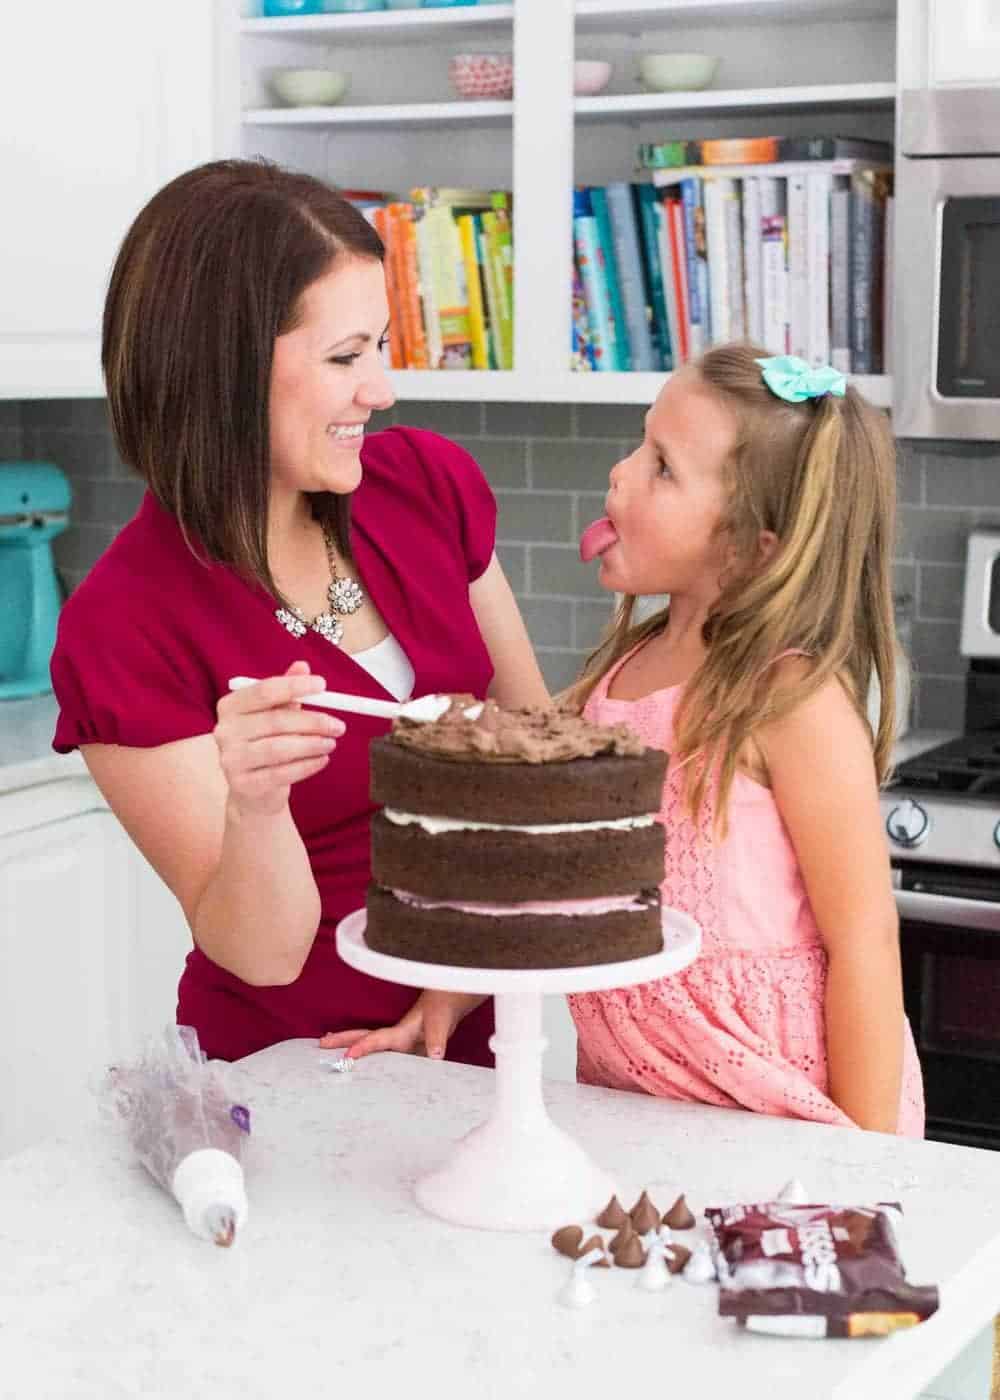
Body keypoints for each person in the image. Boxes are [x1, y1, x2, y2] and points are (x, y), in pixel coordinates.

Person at [50, 159, 549, 1068]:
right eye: (346, 357)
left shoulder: (428, 488)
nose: (382, 389)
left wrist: (461, 980)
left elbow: (537, 771)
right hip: (297, 1074)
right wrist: (256, 809)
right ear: (224, 371)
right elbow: (261, 954)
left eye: (382, 346)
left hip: (478, 1037)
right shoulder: (122, 626)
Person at [566, 345, 924, 1135]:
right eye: (640, 443)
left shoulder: (789, 699)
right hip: (631, 1102)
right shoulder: (619, 674)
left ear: (750, 547)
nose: (621, 474)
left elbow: (864, 938)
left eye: (661, 466)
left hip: (781, 1108)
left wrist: (866, 1165)